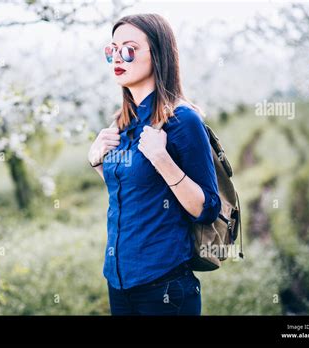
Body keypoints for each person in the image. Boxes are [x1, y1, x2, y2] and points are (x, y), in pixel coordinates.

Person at [88, 13, 221, 316]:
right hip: (118, 282)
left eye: (129, 49)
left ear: (158, 55)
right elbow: (132, 194)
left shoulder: (182, 120)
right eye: (112, 49)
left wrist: (162, 159)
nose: (117, 58)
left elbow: (207, 208)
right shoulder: (121, 123)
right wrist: (97, 162)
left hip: (164, 287)